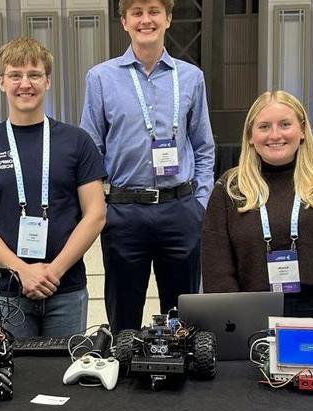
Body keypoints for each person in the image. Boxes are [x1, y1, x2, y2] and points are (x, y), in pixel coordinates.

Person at [0, 37, 106, 338]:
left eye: (34, 74)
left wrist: (53, 271)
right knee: (10, 377)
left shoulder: (77, 141)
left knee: (63, 375)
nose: (25, 83)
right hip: (4, 293)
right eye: (15, 75)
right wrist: (20, 269)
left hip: (65, 288)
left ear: (47, 81)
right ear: (1, 82)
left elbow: (95, 214)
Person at [80, 0, 215, 332]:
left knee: (184, 319)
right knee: (123, 316)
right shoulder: (100, 78)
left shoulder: (191, 77)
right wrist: (100, 210)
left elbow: (203, 147)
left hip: (180, 209)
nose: (146, 20)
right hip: (125, 212)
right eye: (136, 13)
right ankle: (125, 371)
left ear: (168, 18)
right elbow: (91, 150)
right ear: (124, 21)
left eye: (154, 11)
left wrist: (199, 204)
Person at [201, 90, 313, 330]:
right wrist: (234, 324)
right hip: (250, 319)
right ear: (249, 136)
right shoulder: (230, 189)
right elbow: (218, 272)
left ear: (301, 131)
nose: (275, 135)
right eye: (264, 126)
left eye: (285, 125)